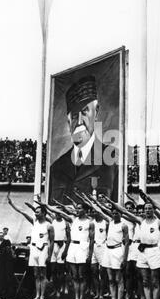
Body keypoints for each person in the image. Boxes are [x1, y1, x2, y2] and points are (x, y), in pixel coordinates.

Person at [49, 75, 118, 203]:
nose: (79, 121)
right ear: (68, 121)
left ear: (96, 112)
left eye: (85, 111)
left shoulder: (111, 160)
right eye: (75, 115)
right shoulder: (56, 168)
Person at [7, 196, 54, 299]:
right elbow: (22, 212)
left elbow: (52, 241)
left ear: (43, 213)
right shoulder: (34, 222)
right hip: (34, 249)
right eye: (35, 212)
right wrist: (11, 204)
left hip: (43, 249)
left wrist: (49, 256)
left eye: (38, 212)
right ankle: (37, 295)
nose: (35, 214)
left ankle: (42, 296)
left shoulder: (49, 226)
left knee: (43, 274)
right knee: (36, 274)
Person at [136, 201, 160, 299]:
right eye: (146, 209)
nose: (148, 210)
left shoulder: (159, 222)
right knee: (145, 280)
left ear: (154, 209)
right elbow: (124, 212)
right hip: (142, 251)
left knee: (155, 281)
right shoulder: (141, 221)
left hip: (154, 251)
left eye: (150, 208)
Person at [101, 208, 129, 299]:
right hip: (108, 251)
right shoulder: (110, 223)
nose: (114, 215)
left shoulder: (124, 225)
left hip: (118, 251)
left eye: (116, 213)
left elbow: (126, 243)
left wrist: (125, 259)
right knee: (110, 279)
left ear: (121, 214)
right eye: (113, 213)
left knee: (119, 279)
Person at [0, 229, 16, 299]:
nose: (0, 237)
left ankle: (8, 295)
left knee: (7, 278)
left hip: (6, 263)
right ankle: (1, 293)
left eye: (2, 236)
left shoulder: (7, 241)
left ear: (4, 236)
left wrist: (0, 251)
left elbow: (8, 250)